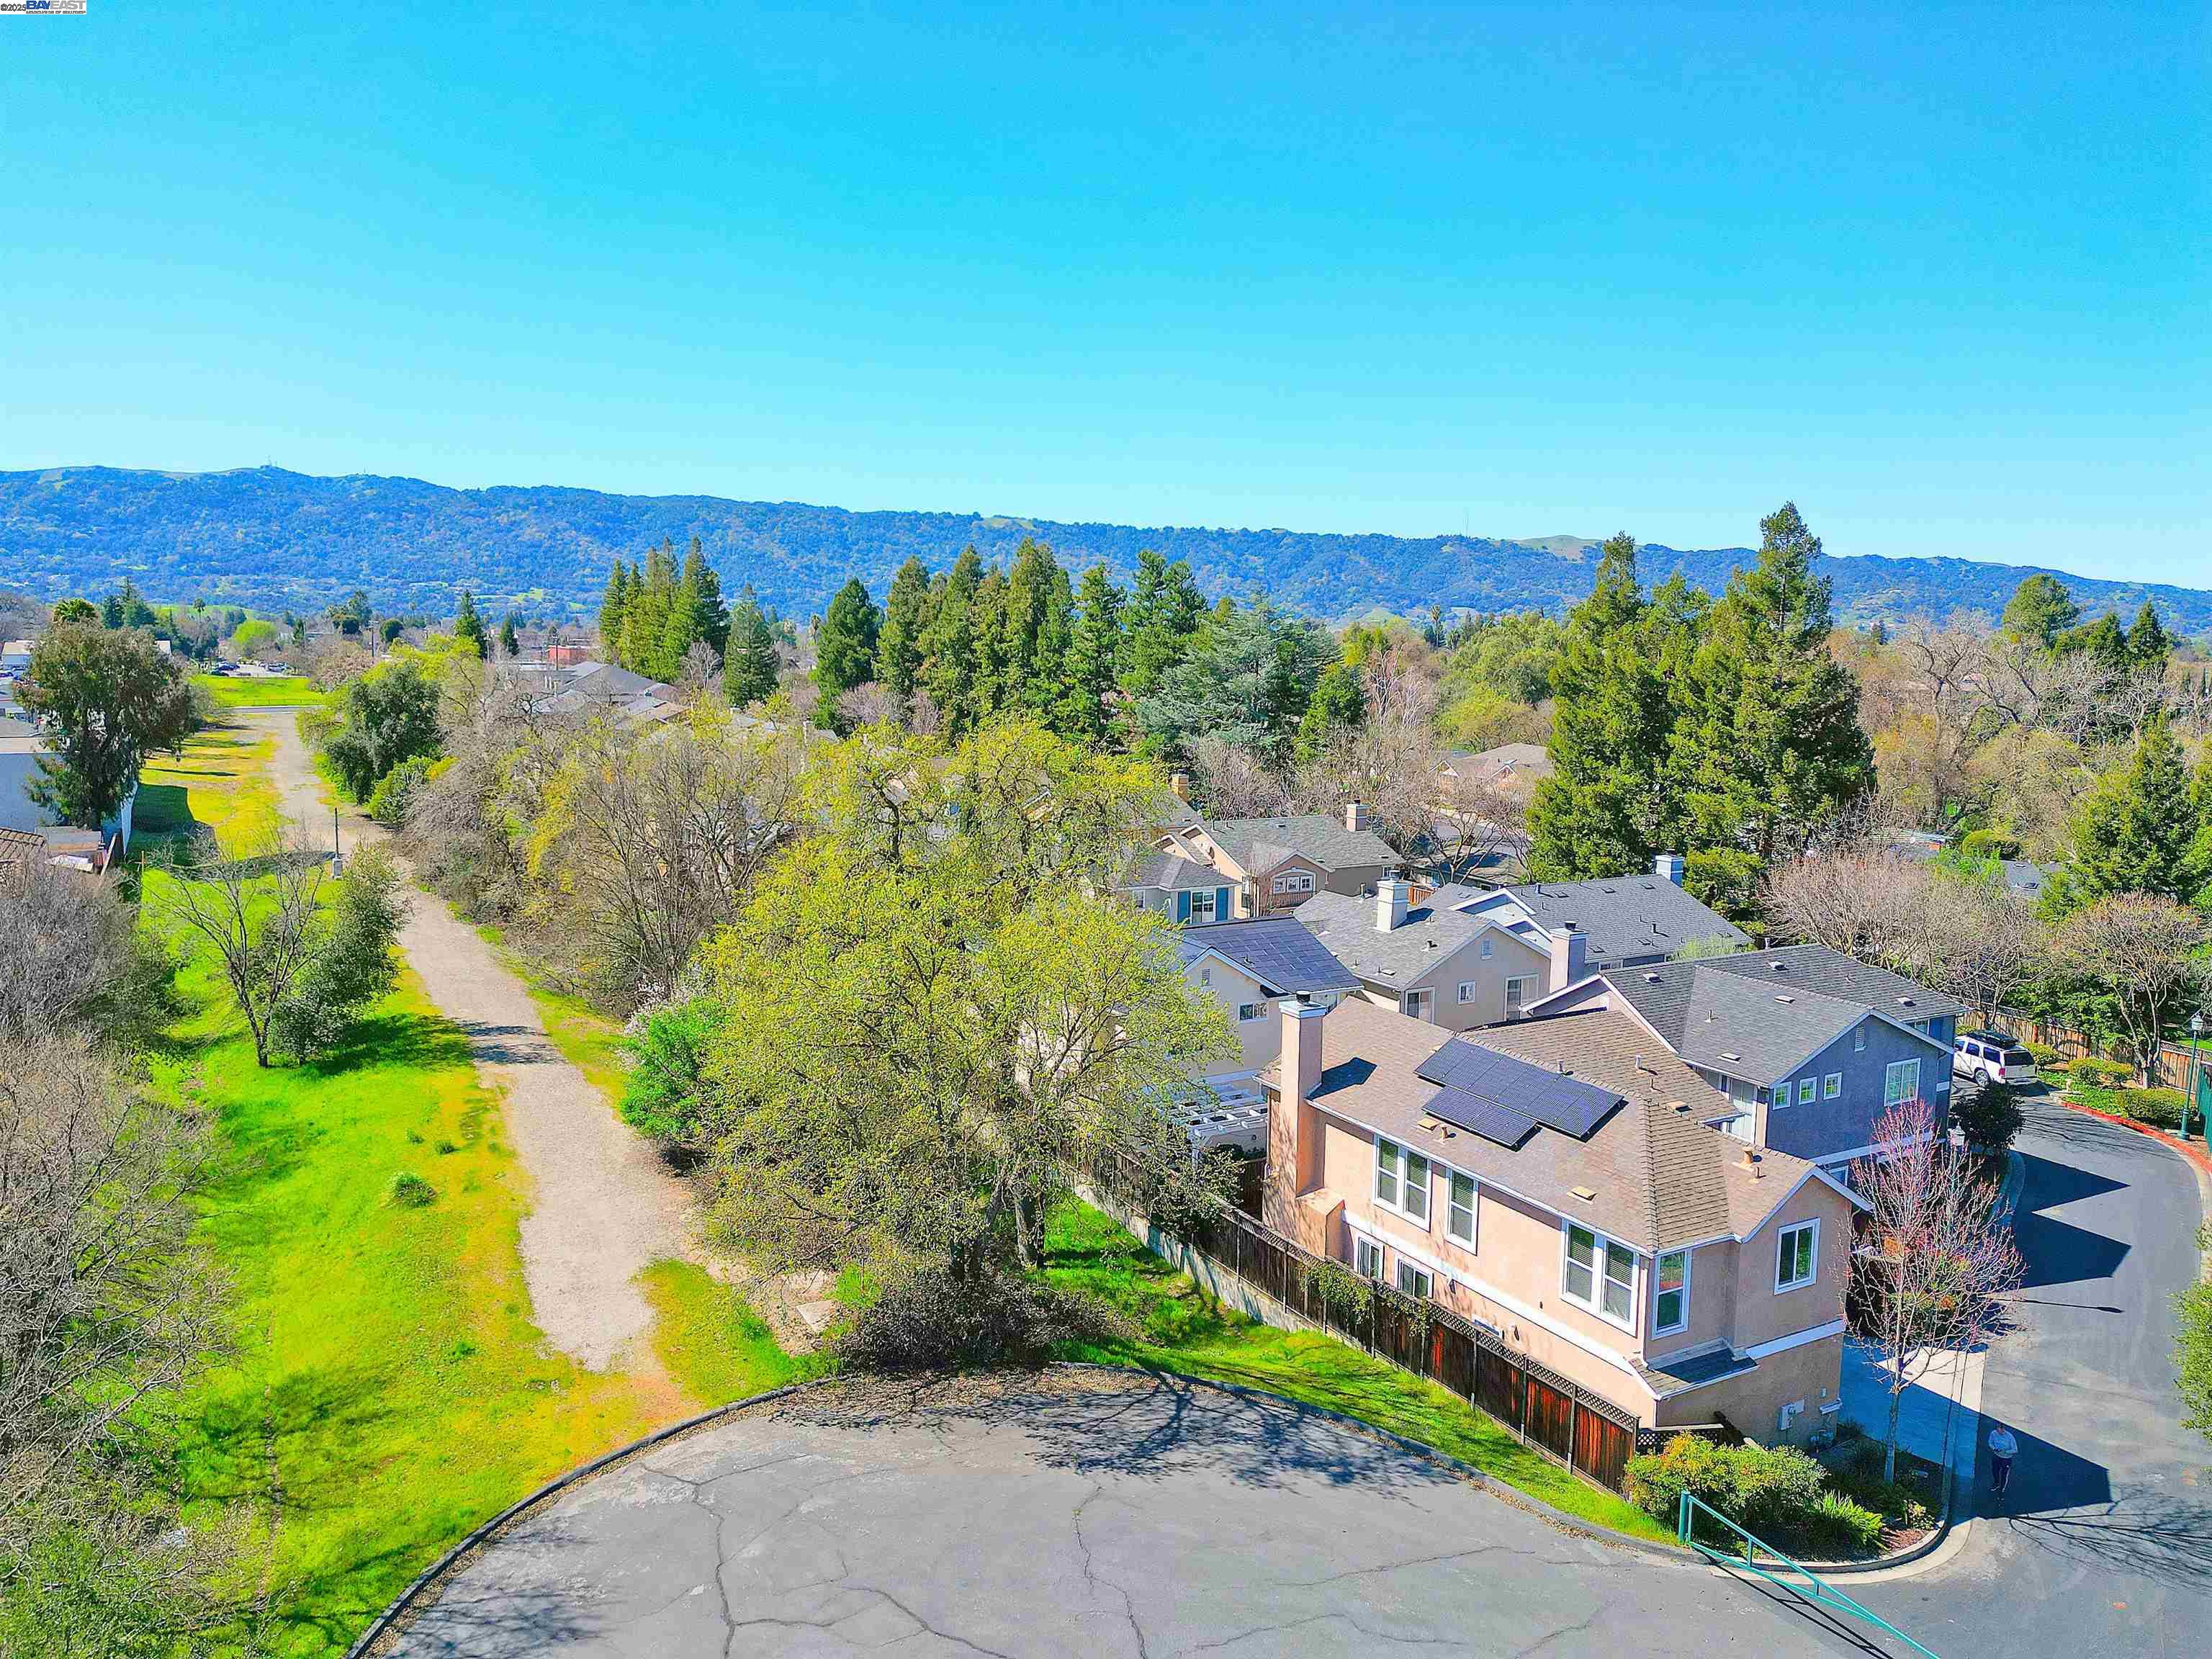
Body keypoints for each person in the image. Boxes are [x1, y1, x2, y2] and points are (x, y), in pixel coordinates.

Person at [1987, 1424, 2018, 1501]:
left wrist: (2006, 1452)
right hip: (1996, 1456)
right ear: (1997, 1429)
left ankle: (2001, 1491)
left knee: (2004, 1475)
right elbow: (1990, 1443)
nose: (2002, 1432)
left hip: (2006, 1459)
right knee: (1995, 1471)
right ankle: (1996, 1483)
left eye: (2003, 1430)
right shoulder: (1993, 1434)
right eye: (2000, 1430)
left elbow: (2015, 1450)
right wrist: (1994, 1448)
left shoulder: (2010, 1437)